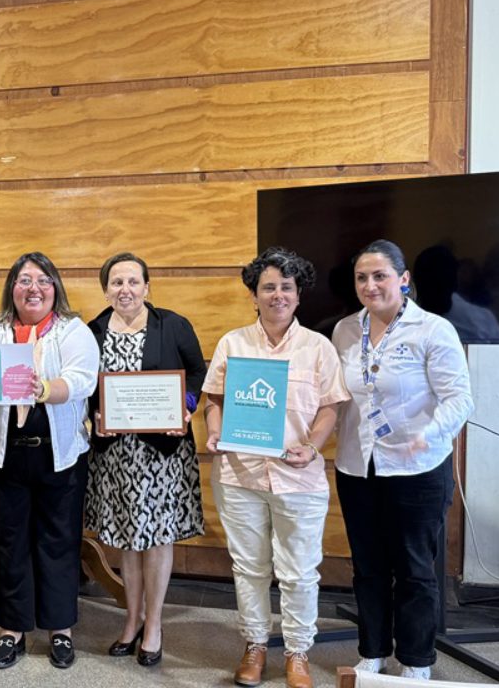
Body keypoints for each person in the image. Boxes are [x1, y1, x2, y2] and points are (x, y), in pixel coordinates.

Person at [201, 247, 348, 688]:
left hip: (298, 476)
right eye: (268, 287)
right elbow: (214, 400)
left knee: (299, 570)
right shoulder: (233, 343)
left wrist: (313, 446)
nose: (277, 295)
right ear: (254, 295)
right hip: (239, 475)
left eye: (286, 287)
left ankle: (298, 652)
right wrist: (215, 432)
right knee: (249, 568)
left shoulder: (318, 347)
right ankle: (255, 645)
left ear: (298, 295)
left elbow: (330, 407)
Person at [332, 239, 474, 681]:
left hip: (417, 468)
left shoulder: (432, 330)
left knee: (414, 569)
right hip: (357, 466)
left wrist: (427, 435)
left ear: (404, 279)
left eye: (380, 276)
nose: (370, 285)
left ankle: (415, 659)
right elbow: (336, 397)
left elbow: (460, 399)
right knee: (368, 566)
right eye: (362, 278)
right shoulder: (344, 331)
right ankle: (372, 650)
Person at [0, 252, 99, 670]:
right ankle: (12, 629)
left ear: (55, 287)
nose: (33, 288)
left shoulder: (72, 330)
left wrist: (45, 389)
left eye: (42, 280)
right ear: (12, 288)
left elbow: (82, 380)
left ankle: (60, 629)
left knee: (59, 540)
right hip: (5, 454)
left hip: (60, 453)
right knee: (9, 541)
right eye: (24, 280)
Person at [84, 252, 207, 667]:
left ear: (147, 287)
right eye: (116, 282)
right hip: (115, 455)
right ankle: (131, 619)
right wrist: (94, 416)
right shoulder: (93, 331)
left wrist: (185, 406)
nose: (125, 290)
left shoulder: (172, 325)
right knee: (126, 540)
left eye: (133, 281)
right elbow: (85, 388)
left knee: (155, 539)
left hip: (161, 455)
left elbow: (197, 373)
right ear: (106, 290)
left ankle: (153, 625)